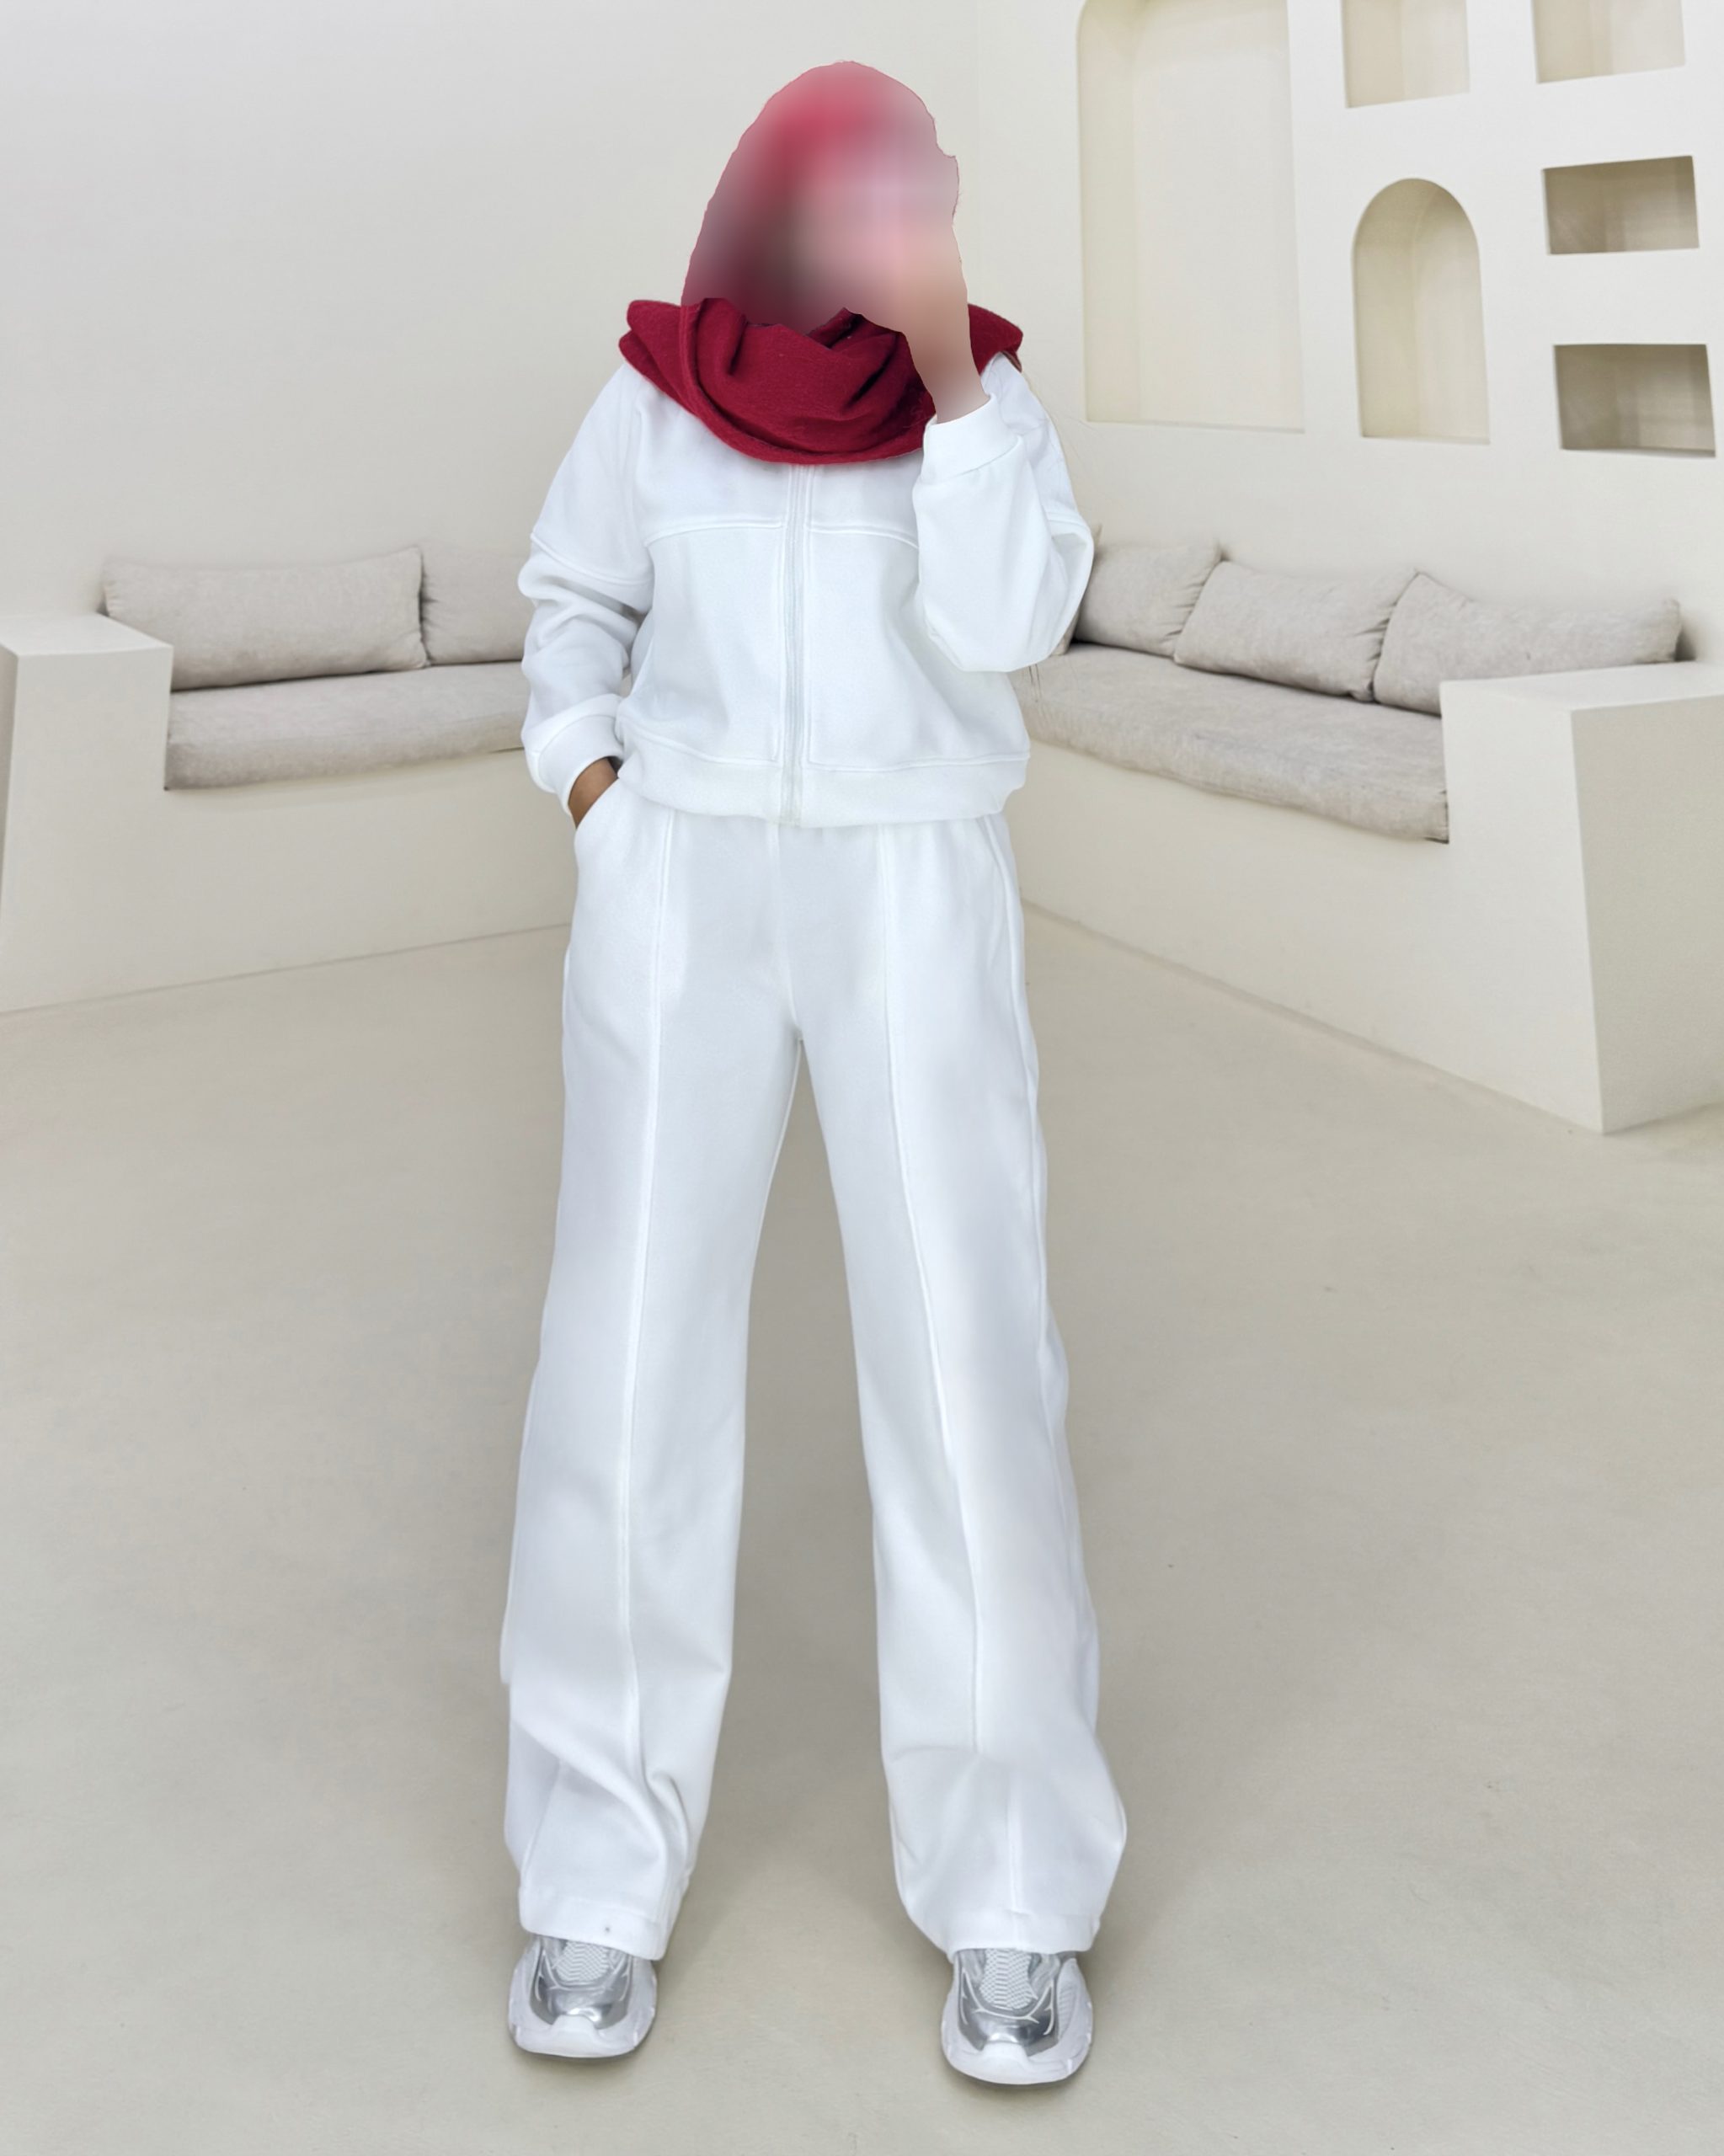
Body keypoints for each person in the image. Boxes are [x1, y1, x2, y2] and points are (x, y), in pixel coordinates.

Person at [498, 60, 1128, 2084]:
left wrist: (943, 370)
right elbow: (570, 604)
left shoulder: (980, 396)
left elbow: (1015, 620)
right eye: (844, 188)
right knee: (625, 1357)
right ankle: (594, 1871)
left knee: (965, 1354)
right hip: (679, 880)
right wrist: (597, 792)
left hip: (909, 882)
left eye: (909, 185)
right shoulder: (654, 392)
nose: (879, 217)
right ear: (769, 201)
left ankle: (1013, 1886)